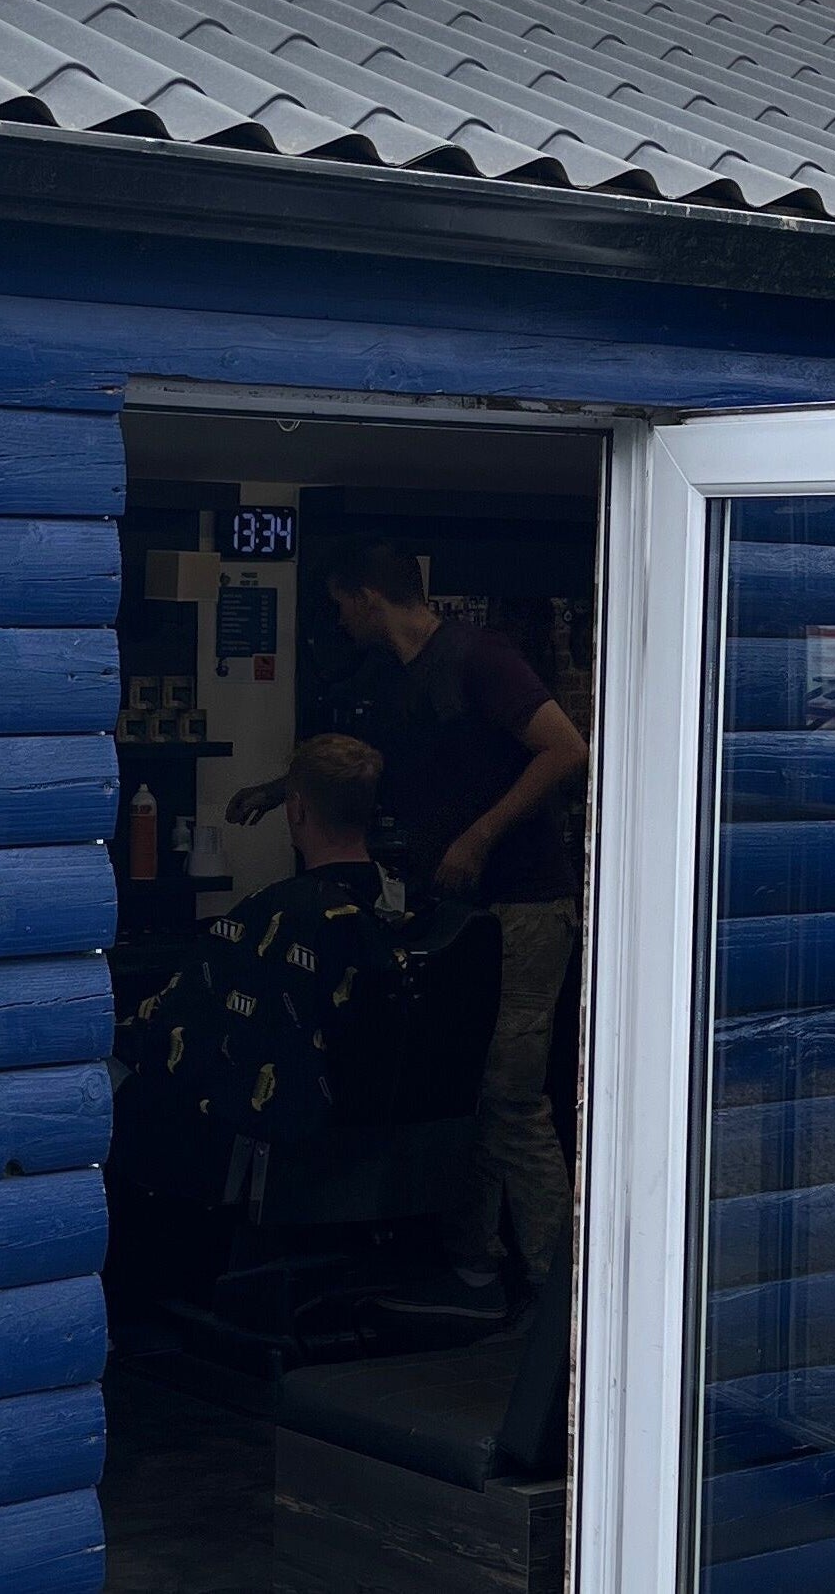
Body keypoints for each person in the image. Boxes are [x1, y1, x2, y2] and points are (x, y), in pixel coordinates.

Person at [230, 542, 589, 1320]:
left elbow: (566, 748)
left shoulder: (481, 659)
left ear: (367, 596)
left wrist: (480, 836)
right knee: (469, 1088)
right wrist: (275, 791)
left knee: (511, 1098)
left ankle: (565, 1295)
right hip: (462, 909)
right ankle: (473, 1268)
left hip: (524, 903)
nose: (337, 619)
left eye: (340, 604)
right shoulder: (397, 678)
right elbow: (370, 762)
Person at [117, 735, 396, 1170]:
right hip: (366, 1132)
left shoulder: (278, 915)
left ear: (297, 808)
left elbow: (177, 1023)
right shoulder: (396, 909)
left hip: (275, 1134)